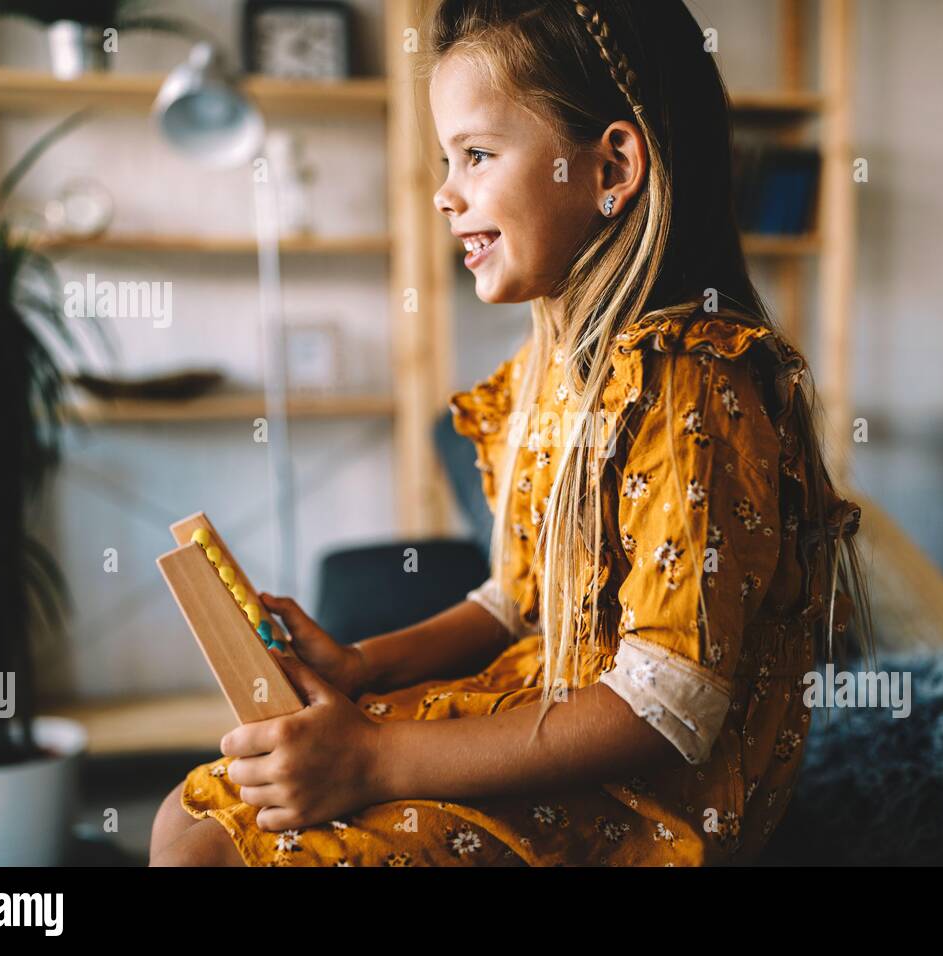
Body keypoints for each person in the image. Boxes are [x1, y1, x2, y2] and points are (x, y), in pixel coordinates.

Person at [150, 0, 873, 867]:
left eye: (477, 155)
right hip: (550, 715)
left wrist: (373, 759)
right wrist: (360, 667)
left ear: (612, 165)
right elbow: (516, 601)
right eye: (446, 159)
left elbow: (666, 708)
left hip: (652, 798)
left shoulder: (692, 387)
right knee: (189, 819)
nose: (444, 192)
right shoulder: (547, 373)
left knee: (226, 851)